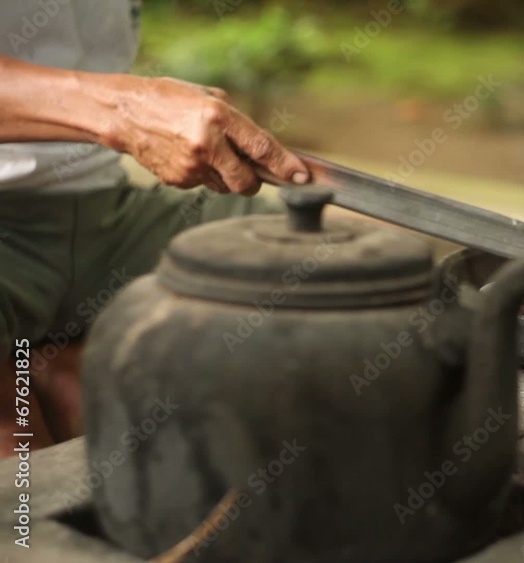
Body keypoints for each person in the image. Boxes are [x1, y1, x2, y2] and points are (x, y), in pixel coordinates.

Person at [0, 0, 311, 456]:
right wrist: (126, 109)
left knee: (324, 266)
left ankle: (49, 361)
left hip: (105, 212)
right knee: (23, 479)